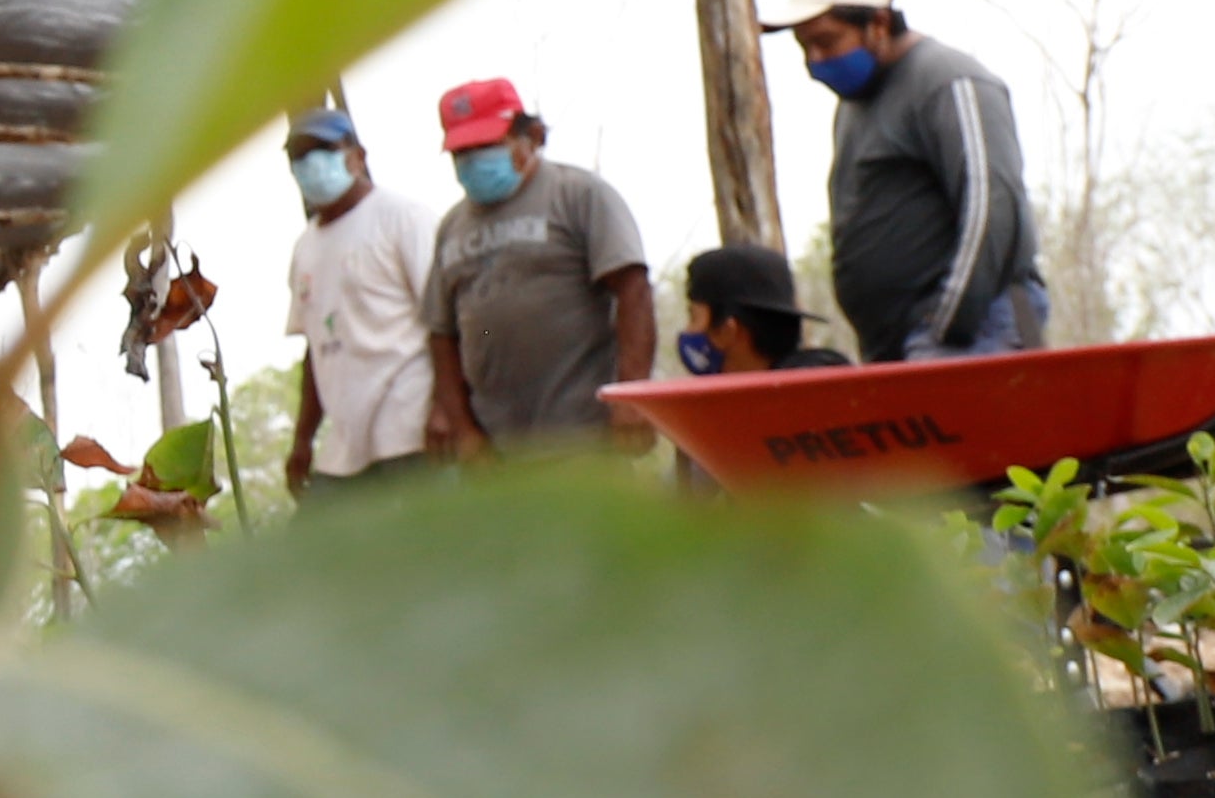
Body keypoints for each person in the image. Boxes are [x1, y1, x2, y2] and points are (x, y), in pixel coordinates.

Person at [768, 0, 1044, 361]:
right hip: (897, 340)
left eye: (826, 42)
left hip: (971, 332)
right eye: (805, 47)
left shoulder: (949, 81)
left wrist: (949, 322)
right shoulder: (855, 105)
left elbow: (992, 203)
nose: (814, 61)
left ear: (877, 24)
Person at [421, 78, 657, 449]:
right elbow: (441, 334)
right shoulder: (451, 227)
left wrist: (633, 394)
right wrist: (461, 425)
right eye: (462, 153)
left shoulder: (580, 195)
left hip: (583, 436)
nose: (473, 162)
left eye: (485, 146)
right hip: (496, 449)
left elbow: (633, 290)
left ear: (529, 136)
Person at [278, 101, 445, 491]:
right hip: (346, 448)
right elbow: (315, 348)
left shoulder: (404, 219)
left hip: (410, 430)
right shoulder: (305, 247)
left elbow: (445, 321)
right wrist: (302, 440)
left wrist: (444, 410)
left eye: (323, 151)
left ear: (357, 156)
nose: (311, 164)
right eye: (299, 157)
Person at [671, 241, 846, 376]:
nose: (688, 331)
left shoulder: (778, 408)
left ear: (728, 330)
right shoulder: (836, 387)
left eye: (693, 318)